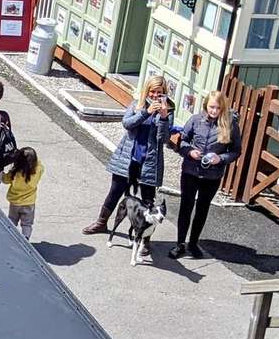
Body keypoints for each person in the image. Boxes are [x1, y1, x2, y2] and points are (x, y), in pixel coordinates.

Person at [83, 77, 173, 234]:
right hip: (129, 158)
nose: (155, 96)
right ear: (147, 91)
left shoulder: (167, 111)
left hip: (149, 161)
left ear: (164, 94)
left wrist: (164, 118)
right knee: (115, 191)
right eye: (152, 92)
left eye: (159, 93)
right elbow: (127, 123)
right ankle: (101, 222)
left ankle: (145, 238)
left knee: (147, 200)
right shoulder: (137, 104)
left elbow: (163, 139)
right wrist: (146, 112)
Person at [168, 90, 239, 260]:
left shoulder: (231, 125)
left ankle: (193, 243)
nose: (214, 111)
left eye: (218, 108)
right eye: (212, 107)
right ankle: (180, 244)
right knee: (186, 207)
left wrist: (219, 158)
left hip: (212, 176)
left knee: (202, 209)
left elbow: (236, 151)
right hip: (191, 171)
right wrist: (189, 152)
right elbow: (182, 141)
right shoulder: (195, 120)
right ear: (206, 105)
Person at [3, 146, 44, 239]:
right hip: (29, 202)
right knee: (27, 224)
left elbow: (5, 180)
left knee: (12, 220)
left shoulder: (15, 172)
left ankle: (9, 237)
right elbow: (40, 166)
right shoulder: (38, 170)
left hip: (15, 202)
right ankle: (26, 237)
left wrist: (1, 173)